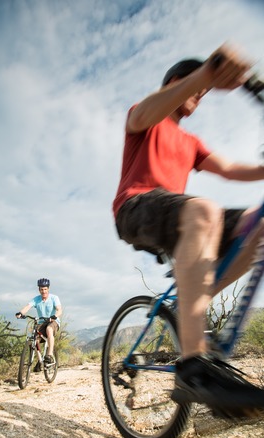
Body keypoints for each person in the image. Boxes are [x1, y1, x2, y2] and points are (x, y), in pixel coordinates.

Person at [113, 43, 264, 414]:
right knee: (205, 210)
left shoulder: (190, 141)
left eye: (206, 91)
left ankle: (196, 303)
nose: (202, 93)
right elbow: (147, 110)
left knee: (257, 224)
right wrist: (206, 73)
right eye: (196, 86)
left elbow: (228, 169)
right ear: (177, 82)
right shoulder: (147, 115)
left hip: (177, 215)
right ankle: (193, 368)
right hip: (135, 208)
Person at [15, 278, 62, 364]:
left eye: (45, 289)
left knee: (49, 329)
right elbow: (28, 306)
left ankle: (50, 355)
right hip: (42, 322)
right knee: (35, 339)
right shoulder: (36, 299)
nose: (43, 291)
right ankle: (40, 361)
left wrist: (54, 316)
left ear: (48, 289)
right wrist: (21, 313)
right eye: (41, 289)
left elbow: (59, 310)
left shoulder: (54, 298)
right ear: (39, 289)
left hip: (53, 321)